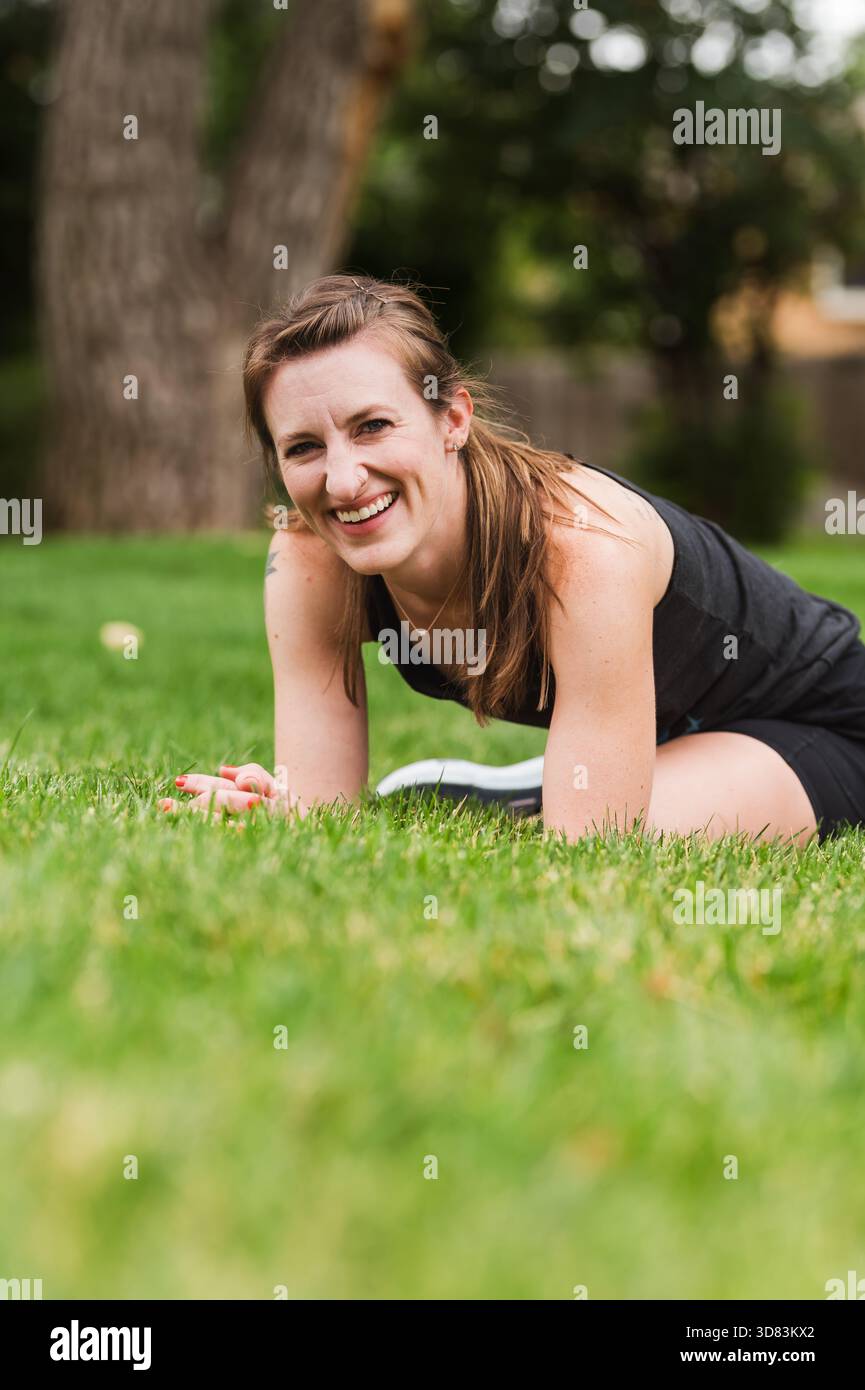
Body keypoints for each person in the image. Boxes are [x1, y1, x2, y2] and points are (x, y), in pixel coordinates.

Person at [159, 274, 865, 845]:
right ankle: (569, 776)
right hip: (669, 732)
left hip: (824, 728)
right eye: (304, 447)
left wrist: (585, 801)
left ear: (453, 419)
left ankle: (539, 790)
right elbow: (321, 809)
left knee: (615, 835)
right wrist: (279, 808)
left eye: (372, 426)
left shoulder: (579, 544)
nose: (342, 481)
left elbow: (590, 853)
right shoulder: (310, 552)